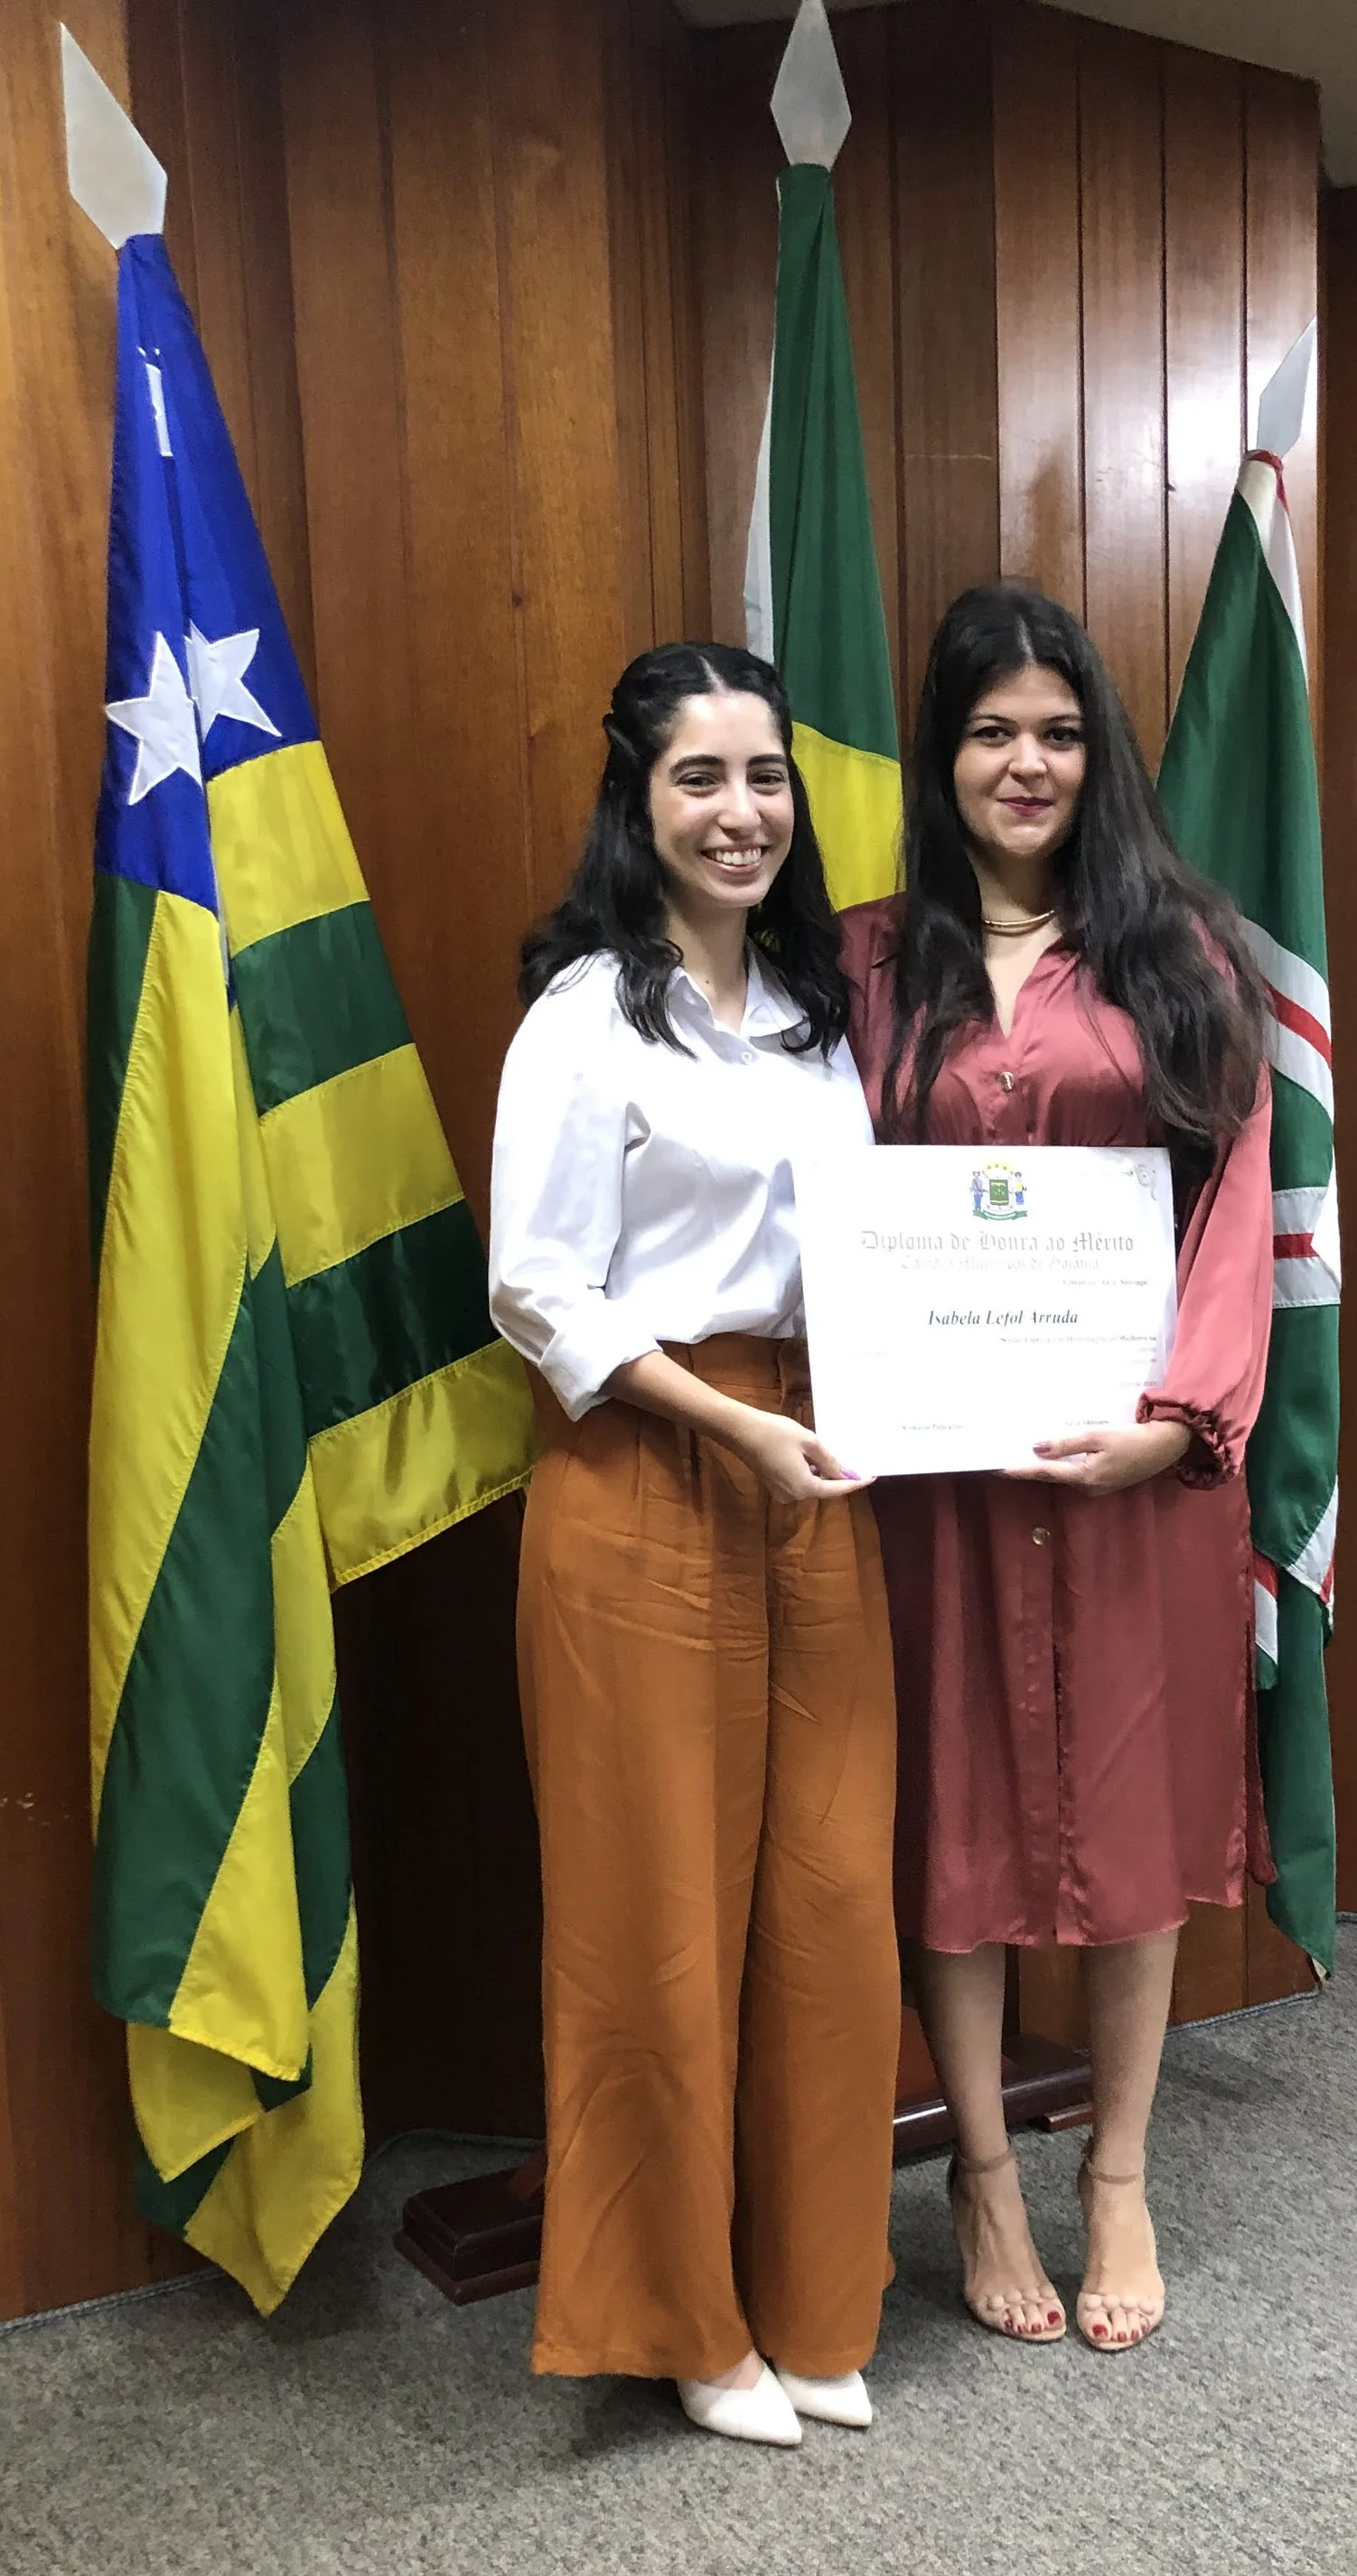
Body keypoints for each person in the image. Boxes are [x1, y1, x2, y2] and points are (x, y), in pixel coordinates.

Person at [841, 579, 1274, 2352]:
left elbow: (1233, 1201)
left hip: (1129, 1466)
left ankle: (1112, 2168)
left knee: (1129, 1814)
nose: (1023, 761)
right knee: (946, 1805)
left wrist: (1176, 1417)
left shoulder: (1179, 951)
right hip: (936, 1468)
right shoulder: (860, 962)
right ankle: (980, 2172)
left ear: (1095, 754)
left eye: (1055, 730)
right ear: (941, 755)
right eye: (987, 729)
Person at [489, 643, 901, 2449]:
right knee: (653, 1918)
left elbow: (877, 1256)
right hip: (647, 1475)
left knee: (827, 1899)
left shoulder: (821, 1016)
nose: (740, 812)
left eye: (764, 778)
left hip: (819, 1476)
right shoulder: (586, 1014)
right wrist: (731, 1419)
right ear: (636, 805)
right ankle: (680, 2318)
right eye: (698, 779)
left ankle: (815, 2300)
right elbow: (532, 1286)